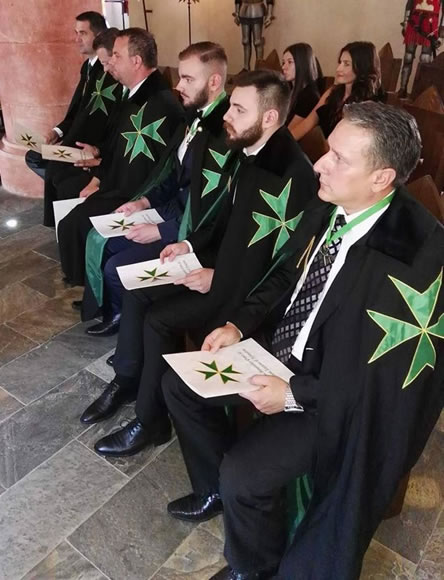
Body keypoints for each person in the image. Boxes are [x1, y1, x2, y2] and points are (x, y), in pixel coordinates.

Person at [164, 101, 444, 580]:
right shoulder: (331, 204)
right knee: (180, 385)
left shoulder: (414, 258)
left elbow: (376, 380)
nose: (318, 164)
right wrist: (238, 326)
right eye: (327, 150)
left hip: (329, 397)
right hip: (279, 351)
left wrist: (293, 394)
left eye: (339, 158)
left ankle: (253, 566)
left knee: (244, 473)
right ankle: (218, 495)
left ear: (381, 178)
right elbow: (284, 278)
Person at [79, 70, 318, 460]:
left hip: (244, 295)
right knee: (138, 291)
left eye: (238, 109)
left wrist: (216, 278)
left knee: (159, 319)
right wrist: (187, 244)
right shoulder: (250, 149)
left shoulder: (291, 174)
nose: (227, 115)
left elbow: (281, 265)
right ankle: (128, 380)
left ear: (270, 118)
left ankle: (150, 421)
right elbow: (223, 216)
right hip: (220, 268)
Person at [80, 41, 234, 336]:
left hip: (191, 229)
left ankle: (125, 324)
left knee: (115, 266)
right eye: (180, 77)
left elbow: (212, 208)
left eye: (188, 79)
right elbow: (172, 174)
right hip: (172, 210)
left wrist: (162, 230)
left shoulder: (223, 133)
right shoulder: (193, 116)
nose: (178, 86)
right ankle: (115, 313)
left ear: (214, 82)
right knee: (105, 240)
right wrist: (144, 203)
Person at [57, 28, 184, 287]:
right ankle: (82, 280)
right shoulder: (135, 93)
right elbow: (118, 144)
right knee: (64, 188)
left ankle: (86, 284)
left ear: (136, 61)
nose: (111, 62)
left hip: (134, 192)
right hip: (118, 180)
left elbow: (152, 168)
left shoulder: (158, 104)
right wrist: (99, 173)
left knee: (74, 222)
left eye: (116, 56)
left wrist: (104, 183)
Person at [43, 27, 123, 227]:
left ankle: (66, 227)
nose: (106, 69)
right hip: (97, 149)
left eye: (83, 33)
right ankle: (59, 226)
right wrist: (61, 133)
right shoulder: (91, 69)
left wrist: (99, 159)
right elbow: (80, 111)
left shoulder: (126, 88)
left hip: (112, 165)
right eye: (104, 63)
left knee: (66, 180)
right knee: (53, 167)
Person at [25, 11, 107, 180]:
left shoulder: (106, 71)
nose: (77, 39)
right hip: (77, 138)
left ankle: (63, 183)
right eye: (76, 33)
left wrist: (95, 149)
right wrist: (56, 132)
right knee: (34, 156)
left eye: (83, 33)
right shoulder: (87, 66)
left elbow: (99, 118)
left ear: (99, 35)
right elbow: (77, 109)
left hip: (89, 144)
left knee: (43, 163)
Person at [289, 41, 384, 140]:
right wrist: (283, 143)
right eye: (340, 62)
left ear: (362, 67)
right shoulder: (332, 92)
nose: (339, 69)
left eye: (346, 64)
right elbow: (307, 123)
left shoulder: (368, 103)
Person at [398, 0, 444, 98]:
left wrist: (441, 33)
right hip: (414, 21)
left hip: (431, 25)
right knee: (408, 56)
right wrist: (406, 21)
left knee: (425, 59)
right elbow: (410, 3)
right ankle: (403, 88)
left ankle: (419, 93)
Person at [281, 43, 322, 127]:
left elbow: (290, 131)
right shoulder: (288, 90)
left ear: (302, 63)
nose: (283, 67)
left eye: (290, 62)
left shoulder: (309, 96)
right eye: (283, 62)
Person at [233, 0, 275, 71]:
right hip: (244, 9)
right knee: (245, 41)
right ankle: (246, 68)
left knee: (257, 42)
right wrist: (237, 12)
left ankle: (259, 69)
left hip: (258, 9)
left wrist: (269, 14)